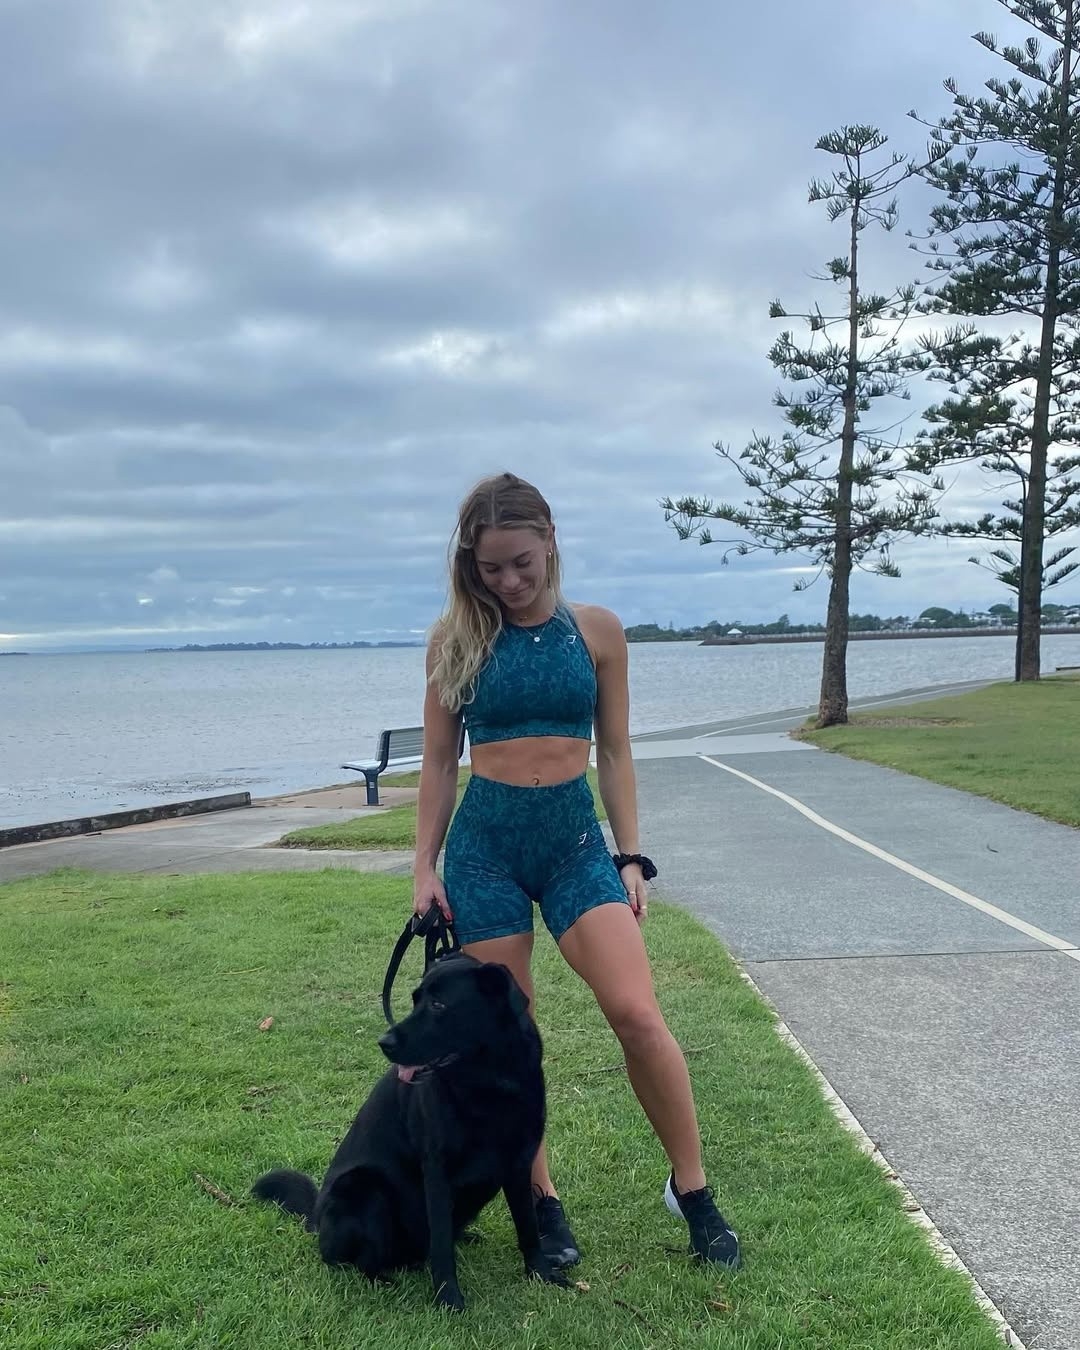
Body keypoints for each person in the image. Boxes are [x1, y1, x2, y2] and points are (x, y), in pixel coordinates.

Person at [411, 471, 740, 1270]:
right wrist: (424, 866)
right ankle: (541, 1203)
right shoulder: (455, 639)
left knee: (637, 1014)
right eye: (491, 567)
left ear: (550, 542)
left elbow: (616, 751)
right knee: (512, 1037)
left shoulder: (597, 631)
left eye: (521, 562)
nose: (508, 581)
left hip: (573, 845)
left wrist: (629, 855)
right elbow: (440, 763)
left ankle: (693, 1191)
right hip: (485, 852)